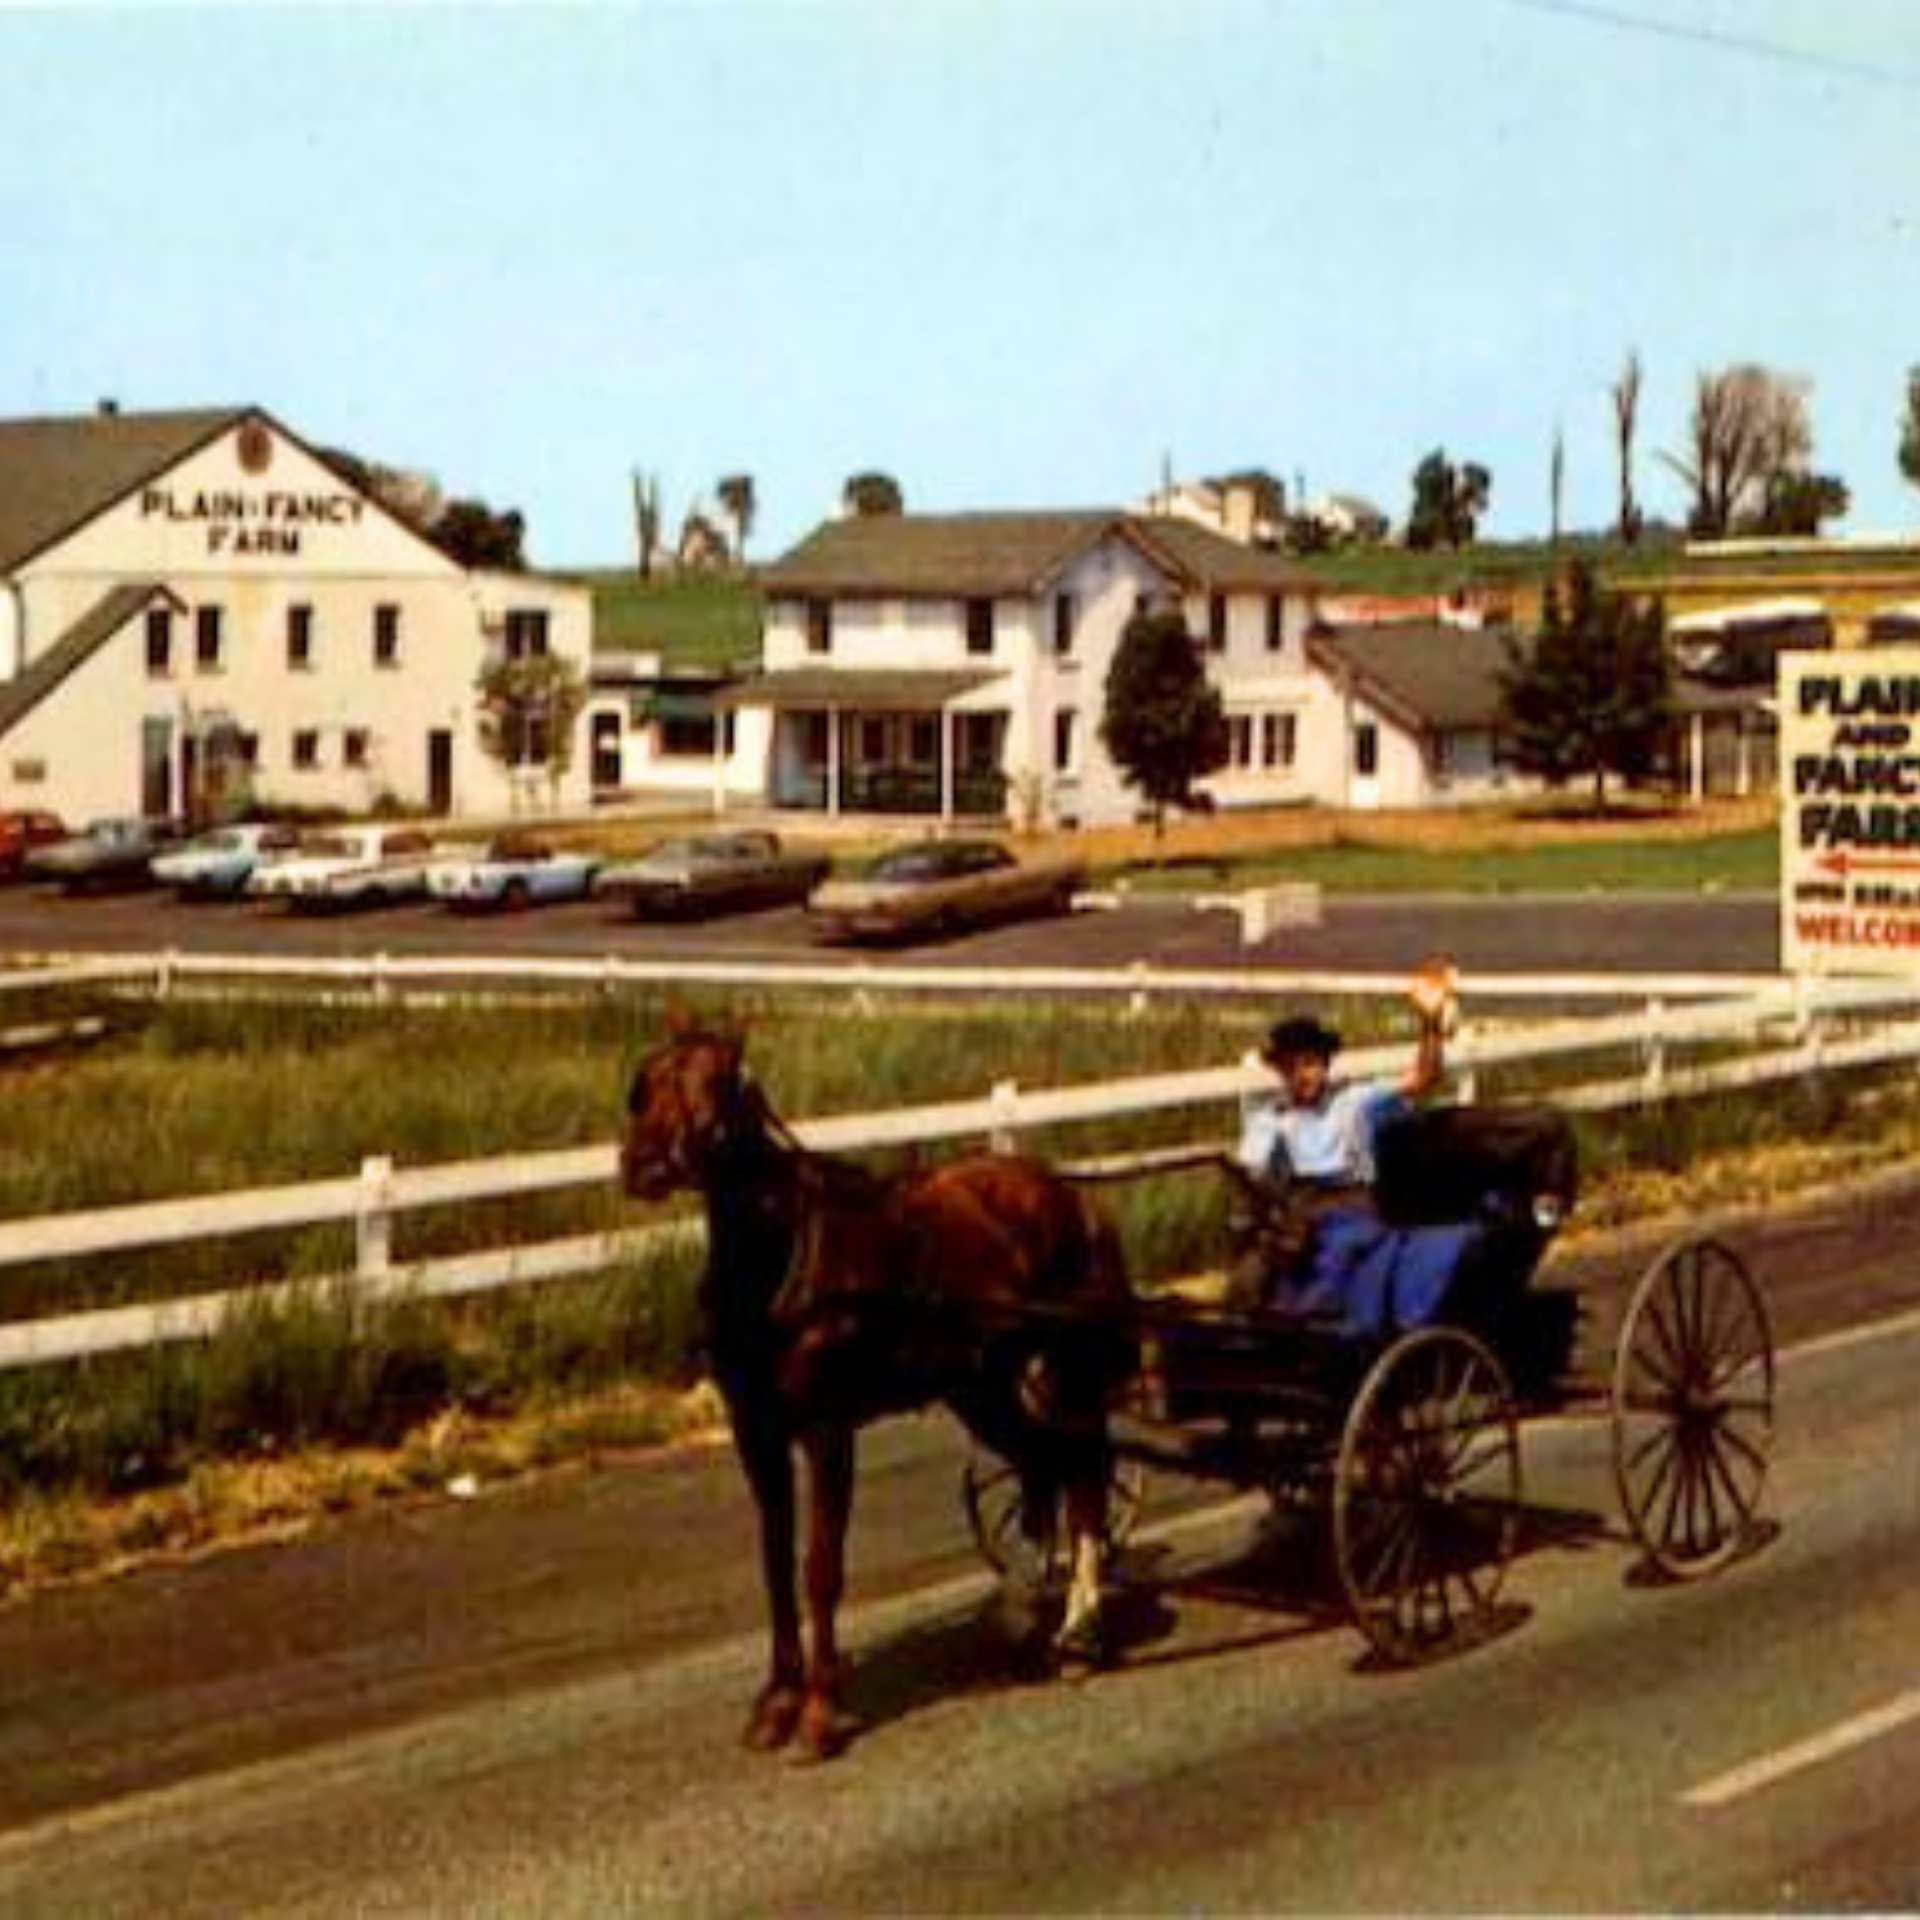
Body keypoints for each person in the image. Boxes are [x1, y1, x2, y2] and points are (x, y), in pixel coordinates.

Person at [1232, 959, 1483, 1335]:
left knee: (1340, 1253)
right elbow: (1248, 1171)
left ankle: (1330, 1330)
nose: (1304, 1076)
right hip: (1298, 1213)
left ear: (1324, 1065)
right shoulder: (1272, 1119)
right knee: (1255, 1270)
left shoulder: (1353, 1102)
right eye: (1293, 1067)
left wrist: (1429, 1023)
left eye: (1311, 1064)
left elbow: (1424, 1078)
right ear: (1281, 1073)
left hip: (1350, 1209)